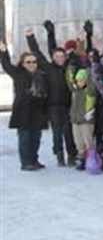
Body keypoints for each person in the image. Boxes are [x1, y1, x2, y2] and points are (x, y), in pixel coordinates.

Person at [26, 27, 77, 166]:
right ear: (53, 57)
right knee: (57, 132)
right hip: (53, 106)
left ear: (65, 57)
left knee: (69, 131)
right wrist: (30, 37)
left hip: (68, 105)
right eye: (57, 56)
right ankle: (59, 154)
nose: (60, 59)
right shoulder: (48, 68)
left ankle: (72, 155)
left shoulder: (69, 67)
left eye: (62, 56)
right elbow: (36, 52)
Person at [0, 38, 49, 171]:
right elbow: (6, 65)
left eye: (34, 61)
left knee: (36, 138)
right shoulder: (18, 73)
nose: (32, 64)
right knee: (25, 138)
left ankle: (34, 159)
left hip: (38, 110)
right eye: (28, 62)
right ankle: (26, 162)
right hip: (23, 111)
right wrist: (4, 52)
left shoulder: (42, 74)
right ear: (23, 63)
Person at [66, 68, 97, 170]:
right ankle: (81, 158)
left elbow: (92, 85)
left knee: (88, 141)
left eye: (82, 80)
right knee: (78, 141)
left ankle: (91, 159)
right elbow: (69, 80)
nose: (80, 82)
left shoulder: (89, 91)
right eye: (78, 80)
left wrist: (88, 73)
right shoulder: (75, 91)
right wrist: (70, 68)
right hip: (75, 120)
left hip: (86, 121)